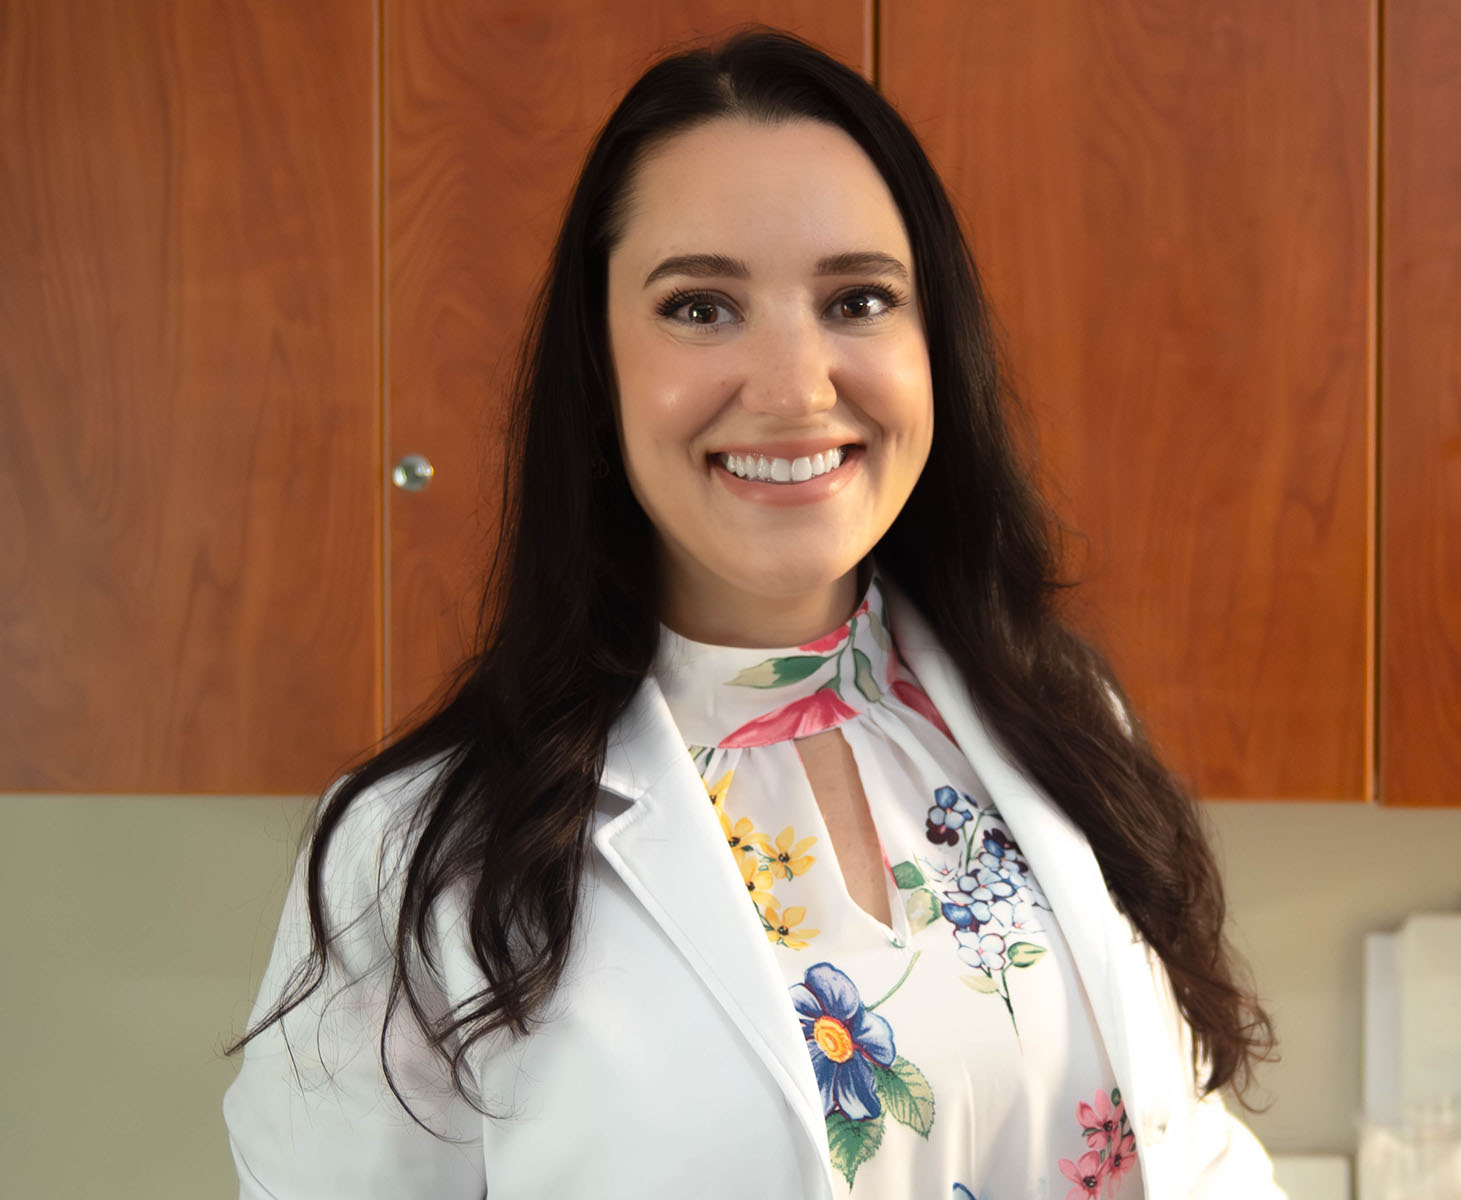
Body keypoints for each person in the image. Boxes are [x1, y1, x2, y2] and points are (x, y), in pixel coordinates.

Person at [223, 27, 1282, 1200]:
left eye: (859, 299)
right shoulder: (418, 856)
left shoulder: (1065, 722)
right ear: (599, 360)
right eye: (699, 308)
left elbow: (1195, 1150)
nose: (792, 387)